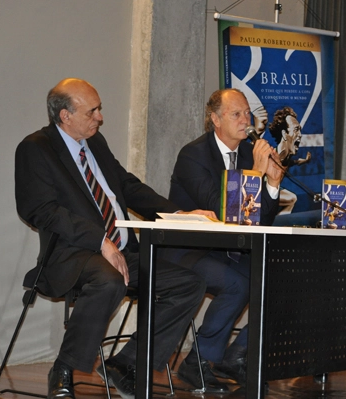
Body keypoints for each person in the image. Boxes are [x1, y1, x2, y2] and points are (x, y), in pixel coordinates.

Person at [15, 78, 215, 399]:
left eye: (100, 109)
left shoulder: (95, 142)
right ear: (65, 115)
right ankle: (64, 367)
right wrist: (100, 241)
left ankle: (127, 364)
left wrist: (180, 214)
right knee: (109, 280)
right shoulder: (36, 148)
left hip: (122, 251)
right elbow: (40, 210)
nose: (100, 117)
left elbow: (127, 186)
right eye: (92, 111)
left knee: (189, 284)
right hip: (71, 254)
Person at [168, 88, 284, 391]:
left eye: (247, 113)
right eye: (237, 114)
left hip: (230, 251)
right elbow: (221, 208)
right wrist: (257, 175)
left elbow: (262, 219)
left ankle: (237, 356)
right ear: (215, 119)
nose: (246, 120)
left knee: (277, 283)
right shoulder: (193, 155)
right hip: (191, 249)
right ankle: (197, 363)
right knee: (238, 285)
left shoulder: (248, 153)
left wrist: (272, 185)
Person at [267, 106, 312, 214]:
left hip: (274, 189)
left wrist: (302, 161)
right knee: (291, 199)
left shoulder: (286, 156)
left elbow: (288, 163)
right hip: (264, 191)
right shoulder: (273, 155)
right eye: (296, 130)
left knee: (291, 200)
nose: (300, 135)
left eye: (300, 130)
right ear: (284, 134)